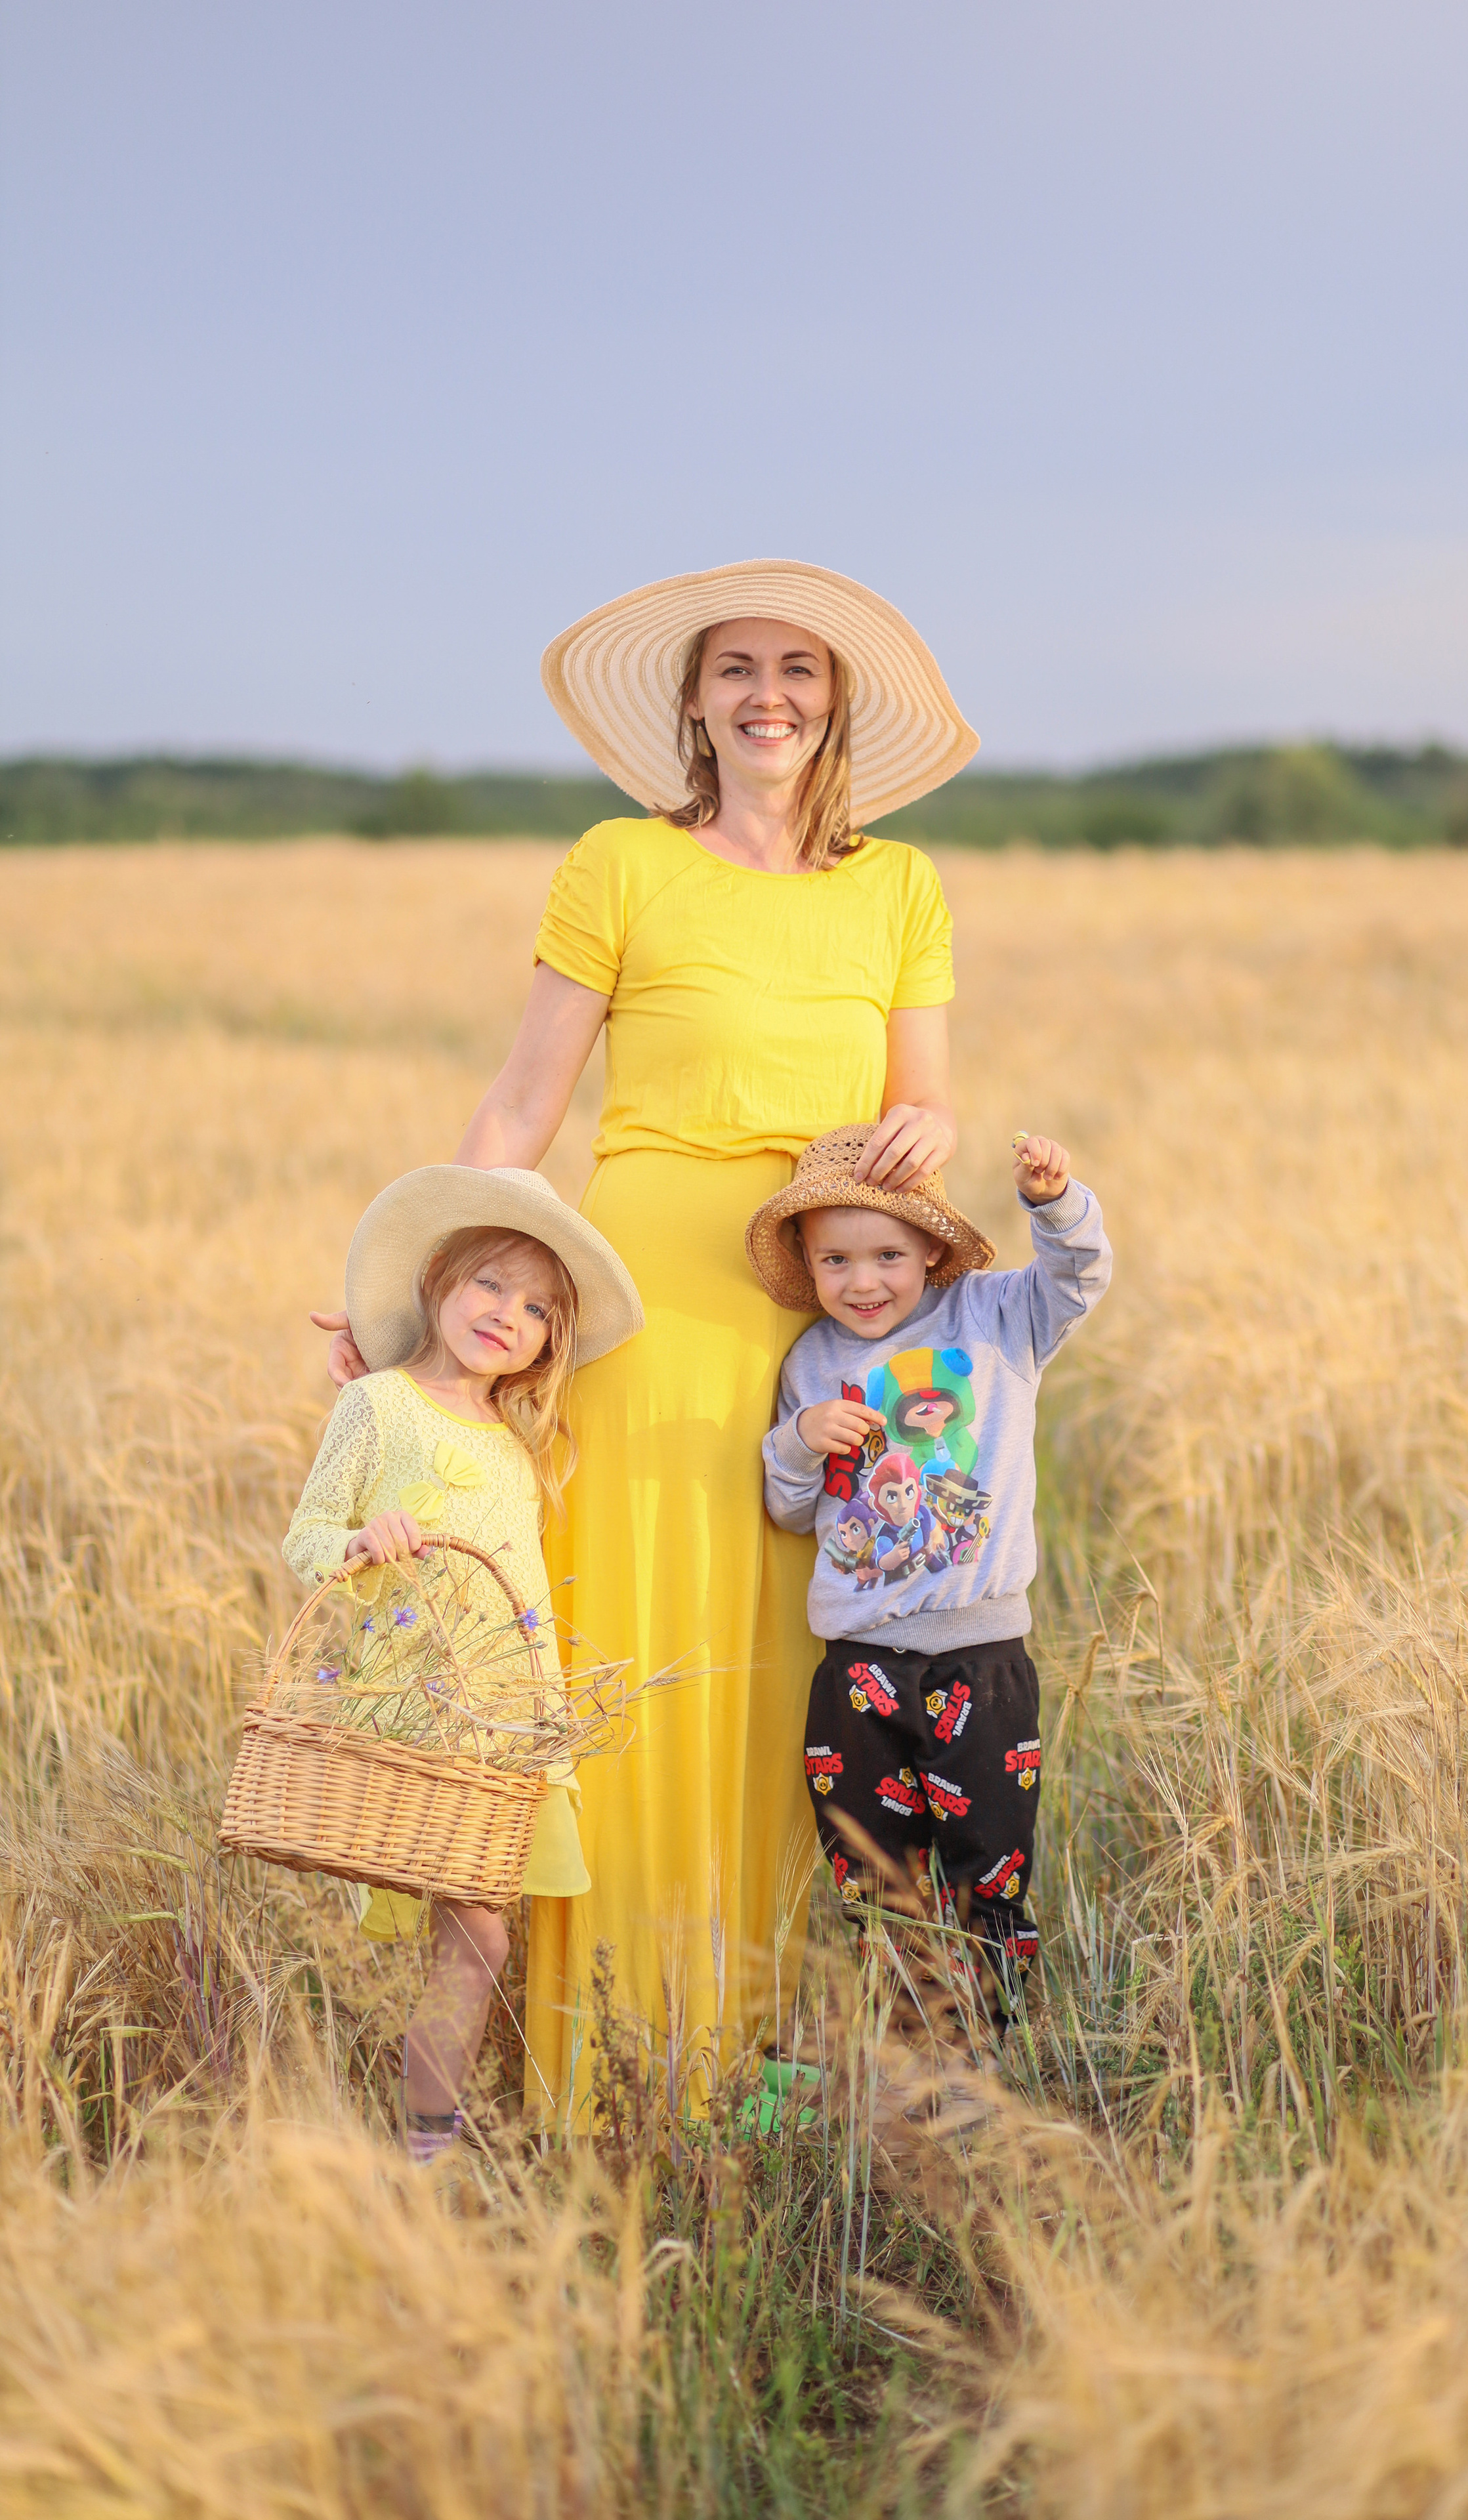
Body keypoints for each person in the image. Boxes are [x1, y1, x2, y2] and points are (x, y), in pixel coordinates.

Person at [313, 561, 978, 2118]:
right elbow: (520, 1108)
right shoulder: (619, 862)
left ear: (834, 701)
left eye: (797, 669)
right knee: (630, 1653)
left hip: (822, 1315)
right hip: (643, 1304)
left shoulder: (901, 887)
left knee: (798, 1665)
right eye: (735, 668)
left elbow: (926, 1099)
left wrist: (931, 1132)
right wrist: (405, 1299)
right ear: (691, 701)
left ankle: (758, 2055)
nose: (767, 695)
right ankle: (600, 2050)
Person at [286, 1165, 641, 2158]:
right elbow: (307, 1536)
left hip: (505, 1721)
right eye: (489, 1283)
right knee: (478, 1933)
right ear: (439, 1277)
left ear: (550, 1342)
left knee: (479, 1933)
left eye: (536, 1310)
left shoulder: (522, 1438)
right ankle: (427, 2143)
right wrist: (360, 1545)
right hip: (415, 1711)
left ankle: (427, 2139)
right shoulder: (378, 1406)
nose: (506, 1315)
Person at [753, 1123, 1111, 2021]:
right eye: (835, 1260)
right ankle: (905, 2033)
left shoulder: (994, 1318)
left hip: (979, 1658)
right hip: (859, 1665)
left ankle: (989, 2036)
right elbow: (792, 1513)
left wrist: (1053, 1204)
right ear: (807, 1263)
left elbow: (1079, 1278)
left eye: (888, 1256)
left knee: (989, 1860)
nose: (862, 1281)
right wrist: (797, 1443)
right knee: (873, 1868)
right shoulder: (811, 1364)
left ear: (933, 1251)